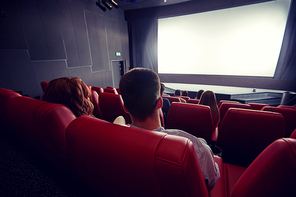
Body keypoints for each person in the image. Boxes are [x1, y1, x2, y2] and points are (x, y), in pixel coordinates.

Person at [119, 68, 220, 190]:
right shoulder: (192, 146)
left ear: (125, 107)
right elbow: (211, 181)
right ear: (160, 102)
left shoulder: (113, 140)